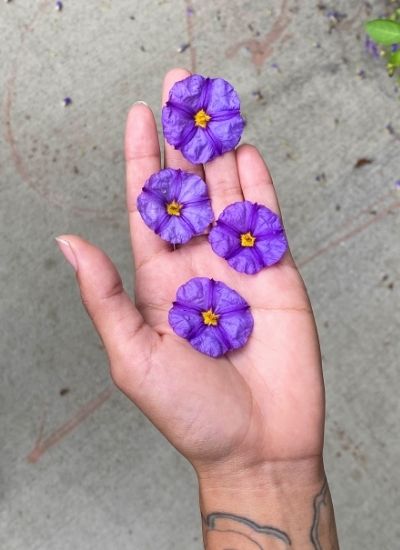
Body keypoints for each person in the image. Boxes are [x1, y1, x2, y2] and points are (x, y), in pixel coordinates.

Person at [55, 68, 339, 549]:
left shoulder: (211, 274)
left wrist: (256, 469)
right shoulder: (204, 233)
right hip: (195, 231)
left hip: (199, 238)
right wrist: (261, 468)